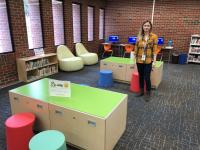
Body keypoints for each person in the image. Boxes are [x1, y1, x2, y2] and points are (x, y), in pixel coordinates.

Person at [134, 20, 158, 100]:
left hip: (148, 60)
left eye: (148, 25)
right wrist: (134, 61)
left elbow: (154, 50)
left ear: (150, 27)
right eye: (145, 25)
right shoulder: (139, 36)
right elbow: (136, 49)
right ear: (142, 27)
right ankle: (141, 91)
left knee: (147, 77)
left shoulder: (154, 36)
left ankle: (148, 92)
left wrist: (154, 61)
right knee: (140, 76)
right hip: (139, 60)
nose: (146, 27)